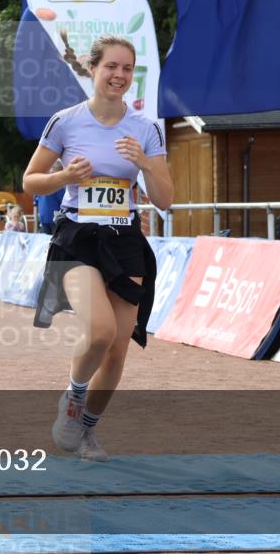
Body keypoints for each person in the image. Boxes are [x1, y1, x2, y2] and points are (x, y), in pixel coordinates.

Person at [22, 34, 174, 462]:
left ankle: (86, 429)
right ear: (93, 69)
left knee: (119, 348)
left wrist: (144, 164)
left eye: (127, 69)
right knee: (101, 331)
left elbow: (165, 199)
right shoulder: (66, 121)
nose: (119, 75)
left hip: (125, 239)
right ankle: (72, 398)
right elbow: (30, 181)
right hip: (78, 236)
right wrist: (64, 176)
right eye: (111, 67)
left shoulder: (146, 129)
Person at [35, 160, 66, 234]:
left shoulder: (40, 185)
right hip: (54, 218)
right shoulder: (57, 186)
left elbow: (36, 200)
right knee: (54, 240)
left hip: (43, 217)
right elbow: (63, 202)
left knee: (44, 241)